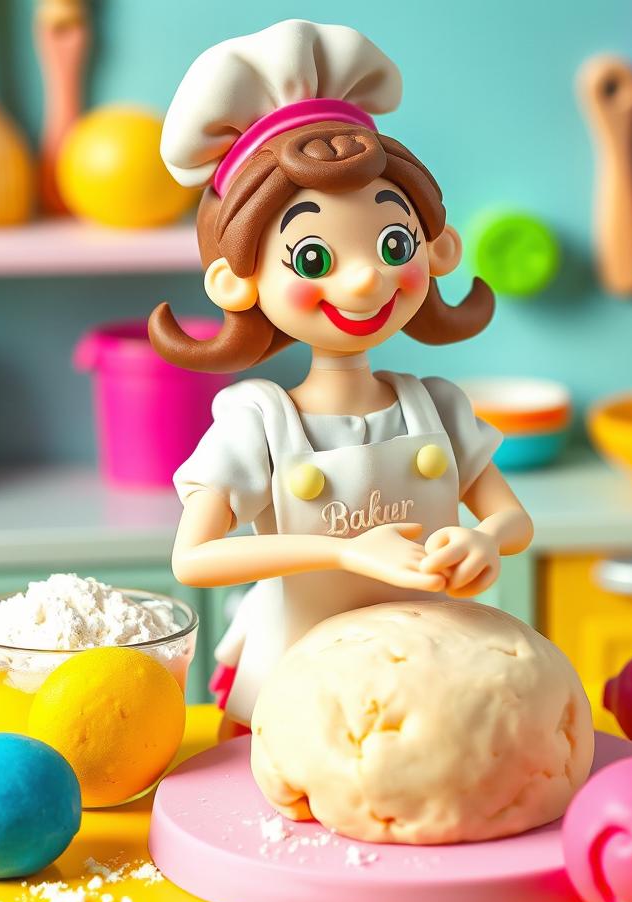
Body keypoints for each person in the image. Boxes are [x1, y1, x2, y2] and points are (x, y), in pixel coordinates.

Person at [151, 20, 534, 726]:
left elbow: (513, 517)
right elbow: (194, 558)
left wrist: (484, 539)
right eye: (315, 260)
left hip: (432, 673)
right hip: (298, 681)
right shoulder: (260, 423)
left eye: (394, 242)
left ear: (437, 248)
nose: (367, 279)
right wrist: (348, 553)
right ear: (236, 281)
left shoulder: (435, 406)